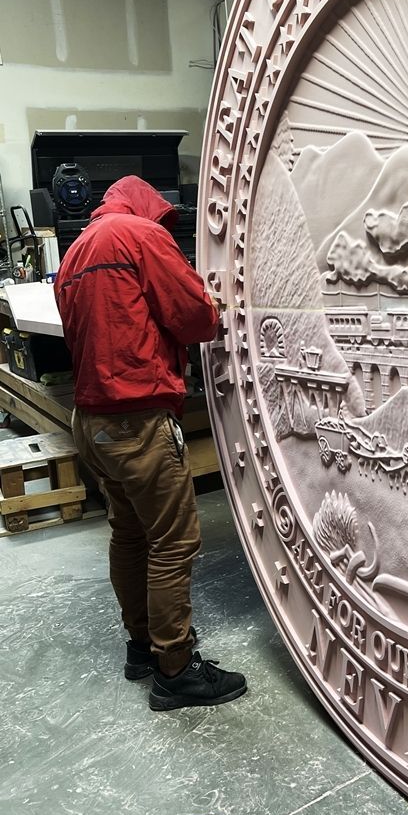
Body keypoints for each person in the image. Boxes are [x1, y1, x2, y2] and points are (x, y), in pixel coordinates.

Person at [55, 175, 246, 711]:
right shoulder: (140, 236)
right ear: (150, 210)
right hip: (137, 418)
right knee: (172, 542)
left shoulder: (74, 252)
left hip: (91, 420)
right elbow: (195, 319)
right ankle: (176, 669)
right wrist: (213, 302)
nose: (166, 228)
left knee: (131, 536)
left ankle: (141, 648)